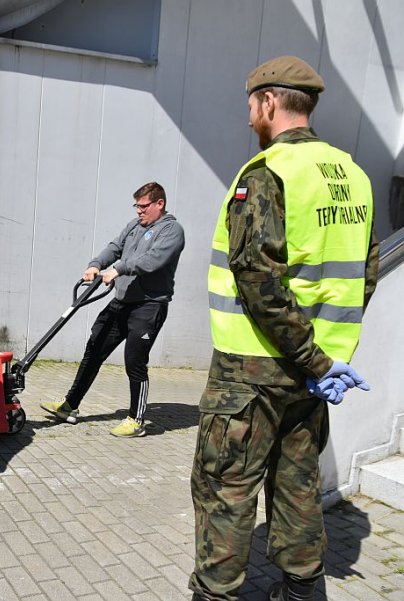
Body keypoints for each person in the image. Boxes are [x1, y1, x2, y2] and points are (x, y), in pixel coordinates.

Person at [189, 56, 379, 601]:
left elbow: (259, 283)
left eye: (251, 106)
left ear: (269, 101)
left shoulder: (269, 174)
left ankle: (216, 593)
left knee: (224, 487)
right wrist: (323, 359)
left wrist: (310, 358)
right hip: (313, 376)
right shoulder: (353, 174)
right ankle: (302, 590)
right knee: (298, 485)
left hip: (252, 371)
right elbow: (364, 274)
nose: (250, 118)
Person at [40, 181, 185, 437]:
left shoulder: (171, 230)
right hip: (121, 302)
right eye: (136, 206)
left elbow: (152, 260)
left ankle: (136, 420)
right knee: (94, 349)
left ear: (159, 203)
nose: (139, 211)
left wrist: (119, 269)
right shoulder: (134, 227)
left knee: (134, 361)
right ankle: (69, 406)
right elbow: (115, 247)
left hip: (149, 305)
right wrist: (97, 264)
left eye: (143, 206)